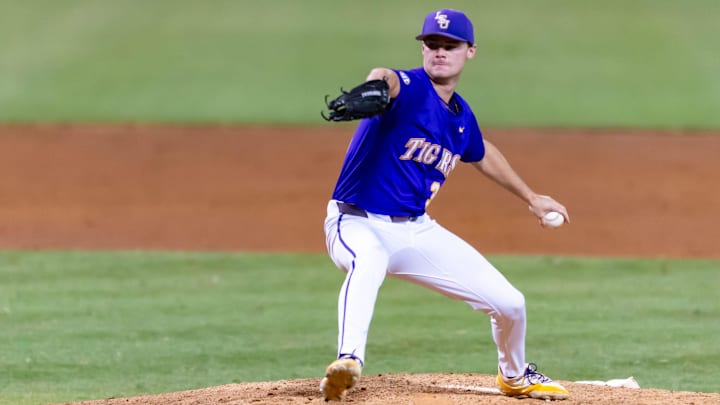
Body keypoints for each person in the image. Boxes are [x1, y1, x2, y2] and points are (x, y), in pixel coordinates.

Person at [319, 8, 570, 402]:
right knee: (367, 262)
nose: (439, 52)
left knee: (510, 304)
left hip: (416, 231)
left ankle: (515, 375)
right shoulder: (407, 87)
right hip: (356, 222)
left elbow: (482, 152)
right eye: (432, 44)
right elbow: (384, 75)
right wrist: (373, 87)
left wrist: (533, 197)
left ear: (469, 51)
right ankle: (348, 361)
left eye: (449, 46)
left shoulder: (461, 117)